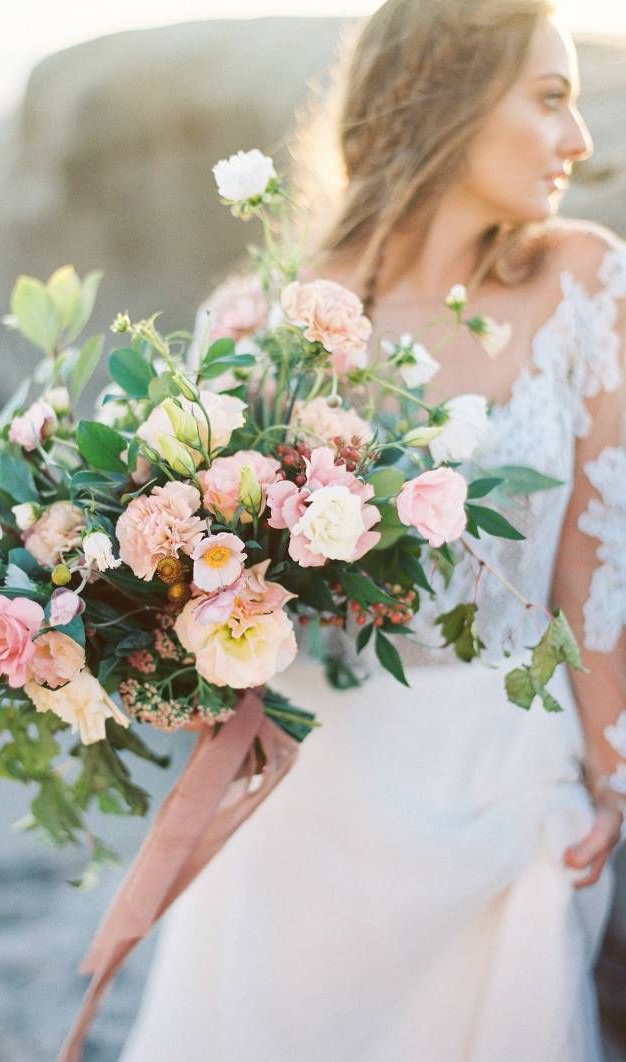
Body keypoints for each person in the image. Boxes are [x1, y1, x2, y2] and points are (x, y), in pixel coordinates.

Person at [119, 2, 626, 1058]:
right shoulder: (256, 320)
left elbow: (595, 558)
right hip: (303, 797)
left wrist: (612, 772)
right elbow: (202, 604)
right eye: (548, 99)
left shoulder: (583, 281)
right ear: (446, 97)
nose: (578, 142)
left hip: (503, 780)